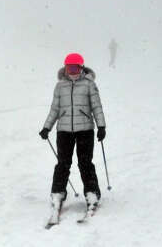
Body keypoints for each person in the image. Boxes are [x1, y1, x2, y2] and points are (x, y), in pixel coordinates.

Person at [39, 53, 106, 211]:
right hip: (64, 131)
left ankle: (92, 193)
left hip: (85, 130)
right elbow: (55, 109)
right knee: (63, 163)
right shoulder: (60, 86)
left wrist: (101, 126)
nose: (72, 71)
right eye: (69, 67)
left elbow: (96, 106)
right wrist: (46, 127)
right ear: (65, 68)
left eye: (75, 67)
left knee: (85, 163)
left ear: (81, 67)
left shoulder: (89, 84)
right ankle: (58, 193)